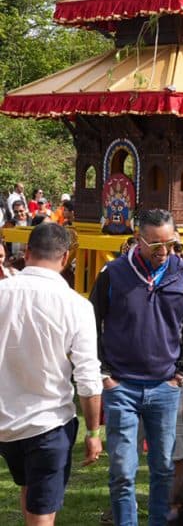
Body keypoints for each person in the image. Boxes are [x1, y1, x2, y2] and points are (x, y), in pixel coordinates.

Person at [91, 209, 183, 526]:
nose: (164, 251)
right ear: (138, 240)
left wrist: (181, 373)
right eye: (155, 245)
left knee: (164, 470)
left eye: (170, 243)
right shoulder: (113, 273)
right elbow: (89, 323)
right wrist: (104, 373)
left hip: (166, 387)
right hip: (121, 386)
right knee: (122, 472)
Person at [0, 223, 103, 526]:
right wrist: (94, 432)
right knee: (41, 507)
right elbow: (87, 377)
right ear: (66, 257)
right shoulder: (76, 306)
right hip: (49, 422)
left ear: (27, 252)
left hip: (8, 420)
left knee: (30, 490)